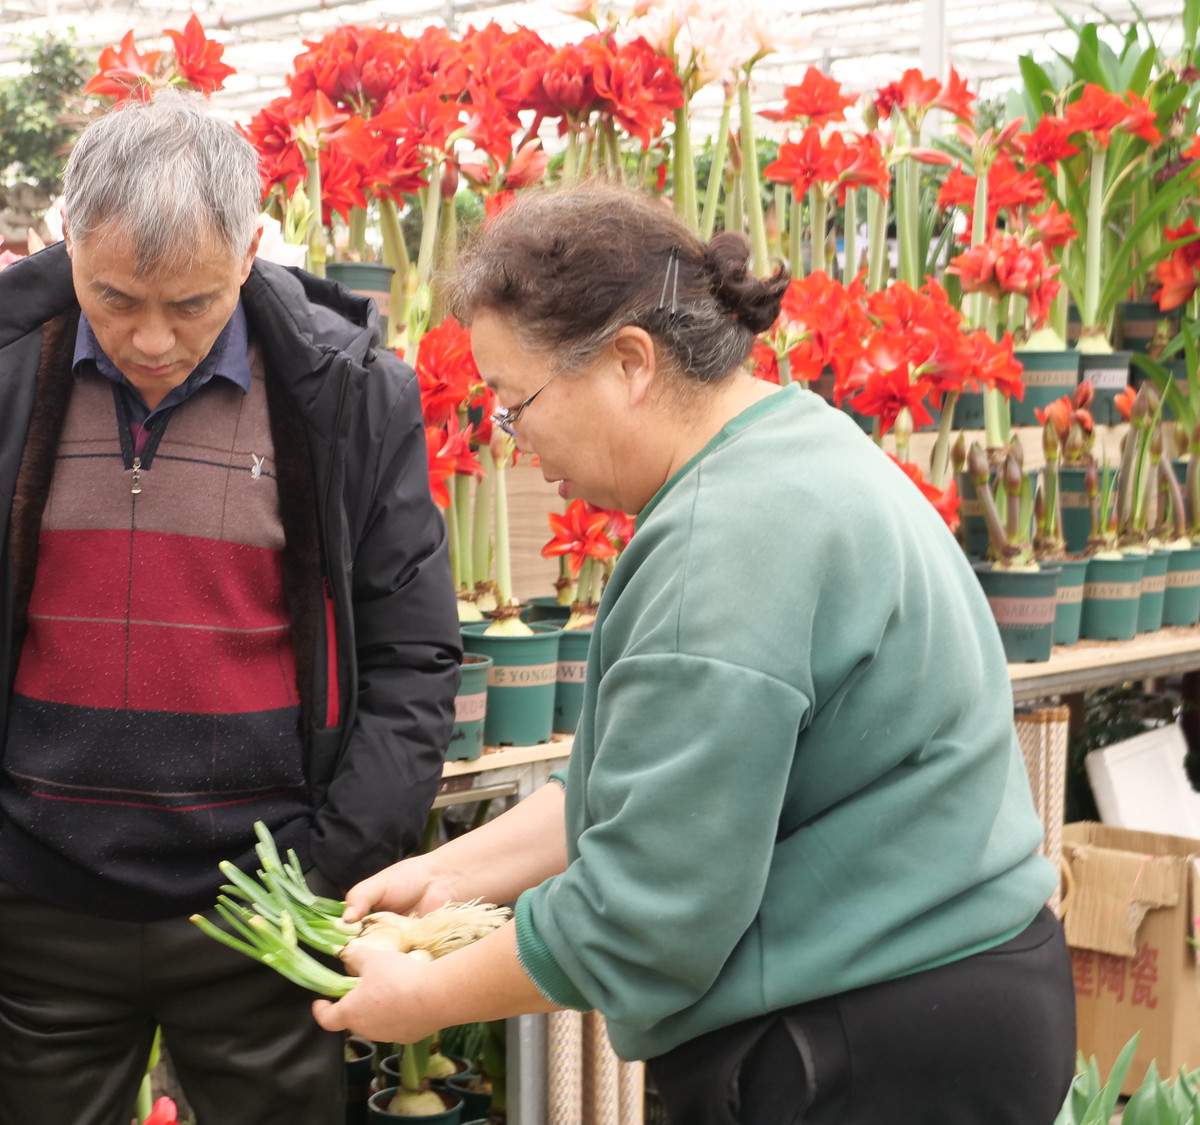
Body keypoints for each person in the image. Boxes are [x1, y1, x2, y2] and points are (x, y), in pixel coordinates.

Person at [312, 186, 1073, 1124]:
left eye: (517, 404)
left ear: (631, 361)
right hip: (949, 1002)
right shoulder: (791, 444)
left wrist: (419, 998)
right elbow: (678, 788)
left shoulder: (726, 537)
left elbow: (649, 914)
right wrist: (459, 873)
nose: (515, 446)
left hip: (868, 1041)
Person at [0, 91, 460, 1125]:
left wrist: (327, 863)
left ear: (248, 251)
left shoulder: (343, 391)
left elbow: (413, 654)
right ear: (68, 242)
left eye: (192, 303)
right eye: (113, 298)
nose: (152, 339)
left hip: (265, 901)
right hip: (44, 884)